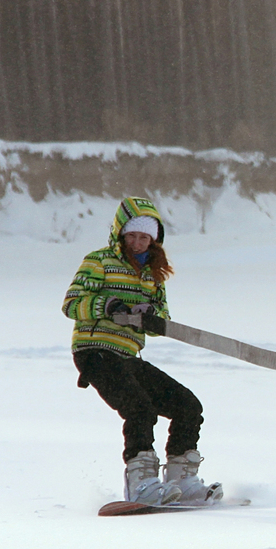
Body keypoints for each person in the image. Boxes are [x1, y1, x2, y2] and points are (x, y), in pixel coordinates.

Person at [62, 197, 222, 505]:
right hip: (95, 351)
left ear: (155, 239)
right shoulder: (98, 261)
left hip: (127, 356)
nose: (137, 242)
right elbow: (71, 304)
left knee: (188, 405)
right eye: (132, 235)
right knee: (140, 408)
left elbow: (161, 320)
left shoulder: (152, 275)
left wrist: (150, 315)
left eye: (144, 237)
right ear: (120, 234)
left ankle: (181, 481)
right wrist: (108, 306)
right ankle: (141, 483)